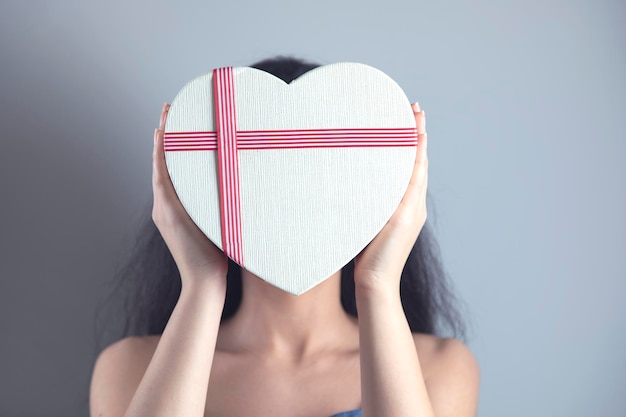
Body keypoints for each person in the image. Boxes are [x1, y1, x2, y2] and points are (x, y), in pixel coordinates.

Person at [89, 57, 480, 417]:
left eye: (319, 172)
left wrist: (378, 284)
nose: (294, 199)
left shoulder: (440, 367)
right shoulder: (131, 367)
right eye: (265, 174)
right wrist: (203, 282)